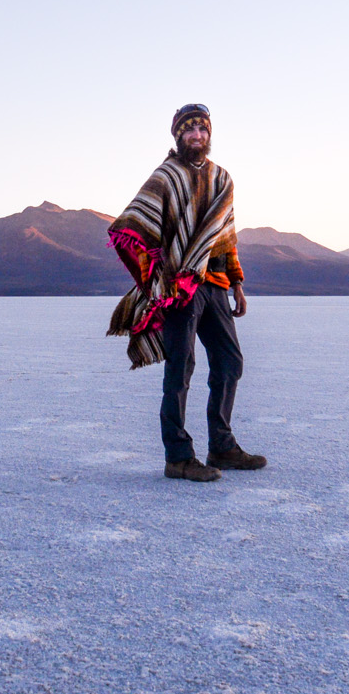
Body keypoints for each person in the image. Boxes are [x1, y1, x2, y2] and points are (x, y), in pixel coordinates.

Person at [106, 104, 267, 482]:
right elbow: (136, 222)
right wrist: (158, 272)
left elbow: (225, 237)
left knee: (230, 363)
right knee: (180, 370)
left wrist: (238, 283)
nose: (197, 135)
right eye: (189, 129)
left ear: (210, 135)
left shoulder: (222, 179)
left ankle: (222, 446)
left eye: (203, 129)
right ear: (178, 135)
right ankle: (178, 456)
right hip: (180, 287)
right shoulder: (166, 177)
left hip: (215, 285)